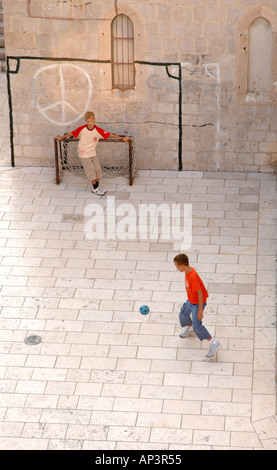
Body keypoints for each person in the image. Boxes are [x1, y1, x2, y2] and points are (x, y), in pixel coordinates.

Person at [54, 111, 131, 196]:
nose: (90, 123)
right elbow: (71, 133)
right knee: (91, 170)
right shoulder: (82, 129)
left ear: (94, 120)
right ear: (86, 121)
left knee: (98, 169)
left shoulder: (97, 130)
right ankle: (94, 189)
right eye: (88, 121)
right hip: (83, 152)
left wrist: (121, 138)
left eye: (91, 121)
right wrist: (61, 137)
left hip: (92, 152)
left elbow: (109, 135)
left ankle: (97, 187)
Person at [174, 253, 222, 358]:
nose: (176, 268)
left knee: (197, 325)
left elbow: (200, 293)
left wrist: (200, 310)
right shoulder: (187, 271)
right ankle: (190, 329)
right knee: (183, 314)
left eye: (177, 266)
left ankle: (214, 343)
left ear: (182, 266)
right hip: (190, 301)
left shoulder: (192, 276)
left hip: (197, 304)